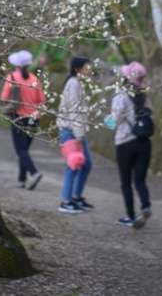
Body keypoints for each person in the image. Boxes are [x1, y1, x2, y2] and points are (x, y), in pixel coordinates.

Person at [108, 61, 152, 228]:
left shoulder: (121, 94)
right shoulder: (144, 96)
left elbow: (115, 120)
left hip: (125, 142)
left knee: (126, 181)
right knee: (140, 180)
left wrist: (107, 121)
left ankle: (130, 216)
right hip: (144, 142)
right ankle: (146, 206)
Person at [1, 50, 46, 190]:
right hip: (34, 118)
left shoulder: (12, 77)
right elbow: (41, 100)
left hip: (19, 117)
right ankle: (21, 179)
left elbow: (4, 97)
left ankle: (34, 172)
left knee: (20, 150)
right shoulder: (34, 79)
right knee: (24, 149)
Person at [56, 56, 94, 213]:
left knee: (86, 164)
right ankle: (66, 201)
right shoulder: (73, 84)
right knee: (73, 164)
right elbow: (73, 110)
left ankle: (76, 197)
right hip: (70, 129)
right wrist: (78, 134)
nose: (89, 69)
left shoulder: (76, 83)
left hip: (74, 129)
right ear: (78, 68)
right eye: (86, 67)